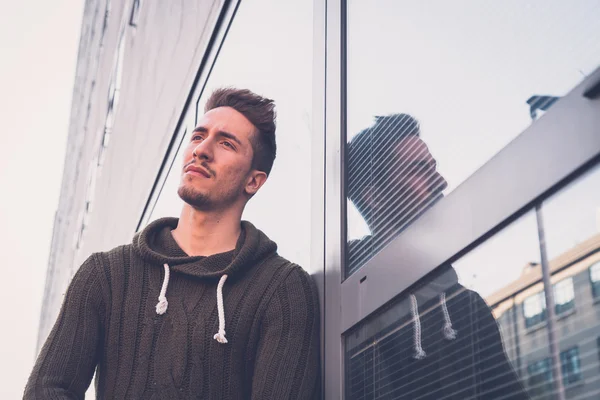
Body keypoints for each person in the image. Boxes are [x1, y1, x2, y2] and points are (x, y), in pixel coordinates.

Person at [25, 88, 321, 399]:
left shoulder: (282, 290)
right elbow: (45, 391)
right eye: (198, 136)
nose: (202, 150)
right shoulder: (106, 275)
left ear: (253, 181)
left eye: (226, 143)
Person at [346, 114, 529, 399]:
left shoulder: (467, 307)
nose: (441, 181)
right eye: (419, 170)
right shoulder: (343, 306)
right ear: (376, 197)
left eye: (434, 168)